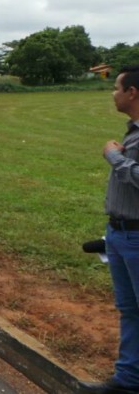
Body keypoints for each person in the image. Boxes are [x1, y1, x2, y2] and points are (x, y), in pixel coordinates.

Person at [79, 65, 139, 394]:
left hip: (136, 237)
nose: (113, 94)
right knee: (129, 310)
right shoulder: (133, 132)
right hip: (119, 234)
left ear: (132, 92)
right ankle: (128, 381)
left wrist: (115, 157)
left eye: (117, 88)